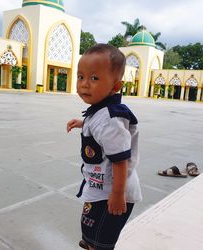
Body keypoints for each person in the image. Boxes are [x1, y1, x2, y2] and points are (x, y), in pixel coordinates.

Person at [67, 44, 142, 250]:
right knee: (91, 236)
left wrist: (118, 196)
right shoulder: (99, 112)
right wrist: (83, 123)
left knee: (101, 243)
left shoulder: (111, 119)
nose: (84, 84)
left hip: (113, 194)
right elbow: (99, 127)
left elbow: (120, 160)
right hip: (100, 190)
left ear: (115, 86)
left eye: (94, 78)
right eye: (81, 76)